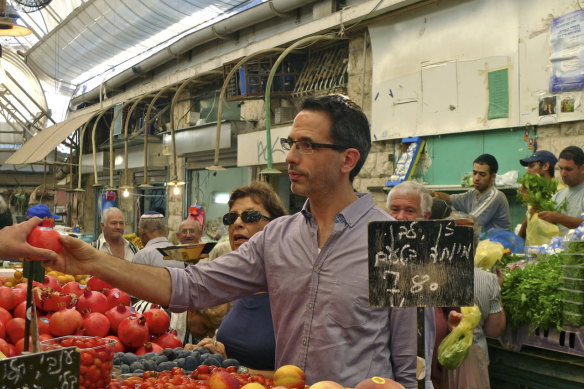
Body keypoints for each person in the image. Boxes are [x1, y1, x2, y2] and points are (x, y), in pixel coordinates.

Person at [42, 95, 418, 388]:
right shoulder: (277, 236)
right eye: (291, 143)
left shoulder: (404, 241)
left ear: (347, 159)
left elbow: (416, 364)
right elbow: (193, 285)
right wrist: (94, 262)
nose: (289, 156)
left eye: (306, 145)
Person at [195, 181, 288, 375]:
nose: (237, 223)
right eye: (231, 217)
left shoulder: (294, 290)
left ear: (277, 226)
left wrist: (237, 369)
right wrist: (215, 354)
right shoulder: (240, 286)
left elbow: (304, 375)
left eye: (250, 216)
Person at [385, 181, 436, 389]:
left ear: (426, 217)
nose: (400, 217)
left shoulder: (431, 261)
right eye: (395, 210)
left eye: (410, 210)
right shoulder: (378, 257)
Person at [441, 267, 506, 389]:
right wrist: (498, 288)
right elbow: (494, 330)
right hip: (474, 360)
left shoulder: (426, 278)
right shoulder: (488, 279)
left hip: (438, 360)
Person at [431, 154, 511, 233]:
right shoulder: (473, 194)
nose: (476, 178)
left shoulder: (495, 196)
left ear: (493, 176)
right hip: (482, 243)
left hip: (497, 244)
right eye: (474, 173)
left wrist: (445, 213)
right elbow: (449, 198)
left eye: (482, 175)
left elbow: (471, 221)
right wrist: (429, 193)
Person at [538, 146, 584, 237]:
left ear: (582, 169)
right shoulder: (557, 196)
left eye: (568, 169)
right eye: (561, 168)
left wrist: (558, 218)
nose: (563, 173)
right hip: (562, 249)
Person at [517, 150, 559, 241]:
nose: (528, 171)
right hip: (532, 251)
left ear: (545, 166)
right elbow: (529, 219)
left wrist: (531, 199)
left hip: (550, 249)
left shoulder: (558, 191)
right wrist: (517, 240)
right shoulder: (536, 192)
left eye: (532, 166)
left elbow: (554, 218)